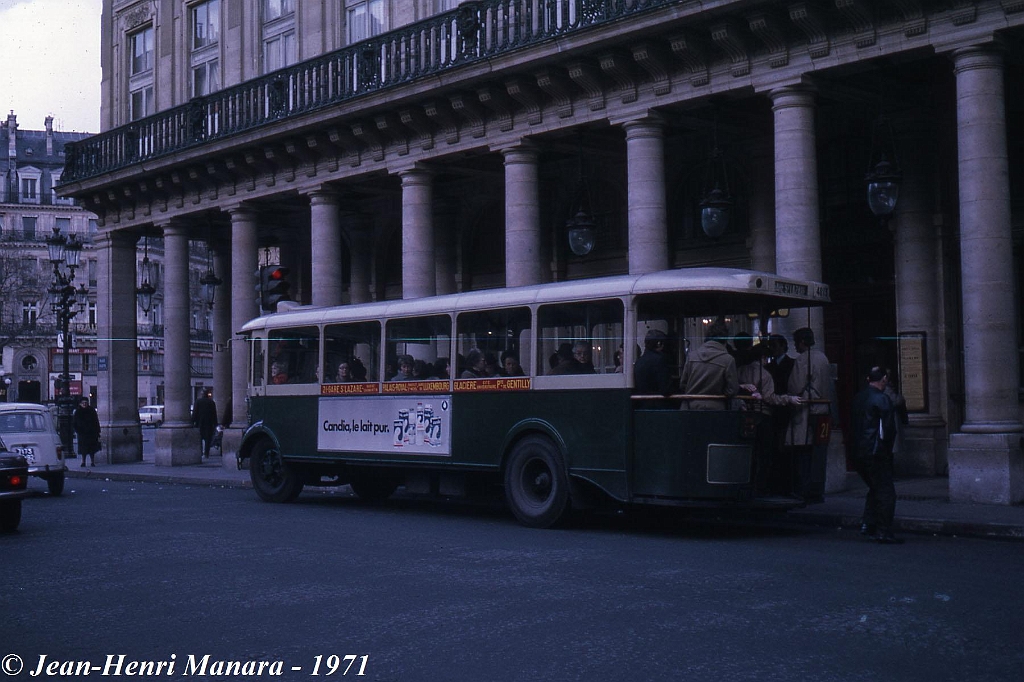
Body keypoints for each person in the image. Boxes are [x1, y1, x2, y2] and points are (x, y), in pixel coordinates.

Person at [785, 327, 837, 501]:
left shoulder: (802, 359)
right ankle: (817, 489)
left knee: (804, 451)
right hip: (823, 410)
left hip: (808, 410)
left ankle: (804, 489)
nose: (796, 347)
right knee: (819, 453)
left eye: (796, 343)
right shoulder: (823, 357)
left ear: (801, 342)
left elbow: (795, 386)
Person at [851, 366, 901, 544]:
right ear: (884, 380)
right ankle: (883, 530)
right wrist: (887, 452)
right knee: (886, 492)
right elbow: (888, 430)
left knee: (875, 488)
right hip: (876, 452)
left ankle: (868, 524)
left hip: (859, 452)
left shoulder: (859, 397)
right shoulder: (882, 399)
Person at [678, 319, 738, 410]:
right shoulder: (728, 360)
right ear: (725, 340)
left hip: (690, 407)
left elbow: (683, 384)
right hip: (716, 408)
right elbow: (731, 390)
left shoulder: (691, 356)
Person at [634, 329, 673, 397]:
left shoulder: (639, 361)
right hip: (658, 404)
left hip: (642, 404)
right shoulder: (659, 360)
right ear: (659, 344)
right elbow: (665, 388)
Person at [72, 397, 101, 467]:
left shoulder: (91, 410)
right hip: (82, 433)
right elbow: (74, 423)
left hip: (92, 432)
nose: (84, 404)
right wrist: (78, 430)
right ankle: (83, 461)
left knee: (92, 449)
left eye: (86, 403)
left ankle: (92, 461)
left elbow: (96, 421)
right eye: (83, 403)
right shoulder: (78, 411)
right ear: (80, 404)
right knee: (83, 449)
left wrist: (97, 431)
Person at [191, 388, 219, 459]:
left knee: (199, 438)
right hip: (209, 423)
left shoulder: (198, 401)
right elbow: (214, 414)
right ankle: (206, 453)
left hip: (199, 423)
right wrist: (215, 424)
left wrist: (192, 421)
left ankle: (200, 452)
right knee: (208, 439)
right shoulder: (211, 402)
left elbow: (195, 413)